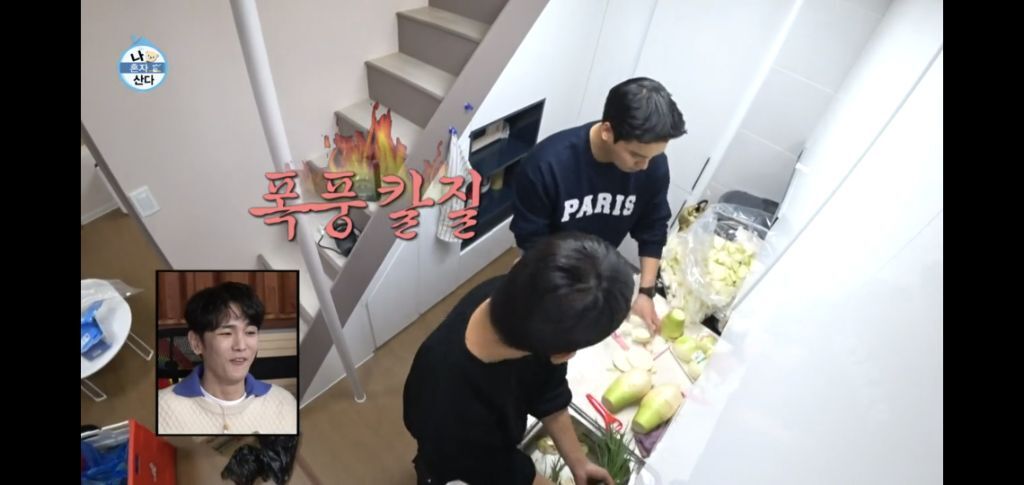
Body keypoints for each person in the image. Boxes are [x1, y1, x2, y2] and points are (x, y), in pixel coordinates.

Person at [403, 232, 635, 484]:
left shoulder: (523, 300)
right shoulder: (448, 402)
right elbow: (500, 470)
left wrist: (579, 462)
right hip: (452, 464)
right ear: (562, 355)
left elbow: (548, 389)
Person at [511, 77, 687, 332]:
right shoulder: (546, 165)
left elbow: (653, 226)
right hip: (550, 270)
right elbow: (532, 241)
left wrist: (646, 293)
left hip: (600, 272)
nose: (645, 166)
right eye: (636, 155)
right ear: (607, 131)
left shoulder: (653, 165)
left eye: (653, 156)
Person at [158, 282, 297, 435]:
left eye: (250, 332)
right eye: (226, 333)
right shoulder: (163, 409)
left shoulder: (284, 404)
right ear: (196, 342)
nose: (241, 346)